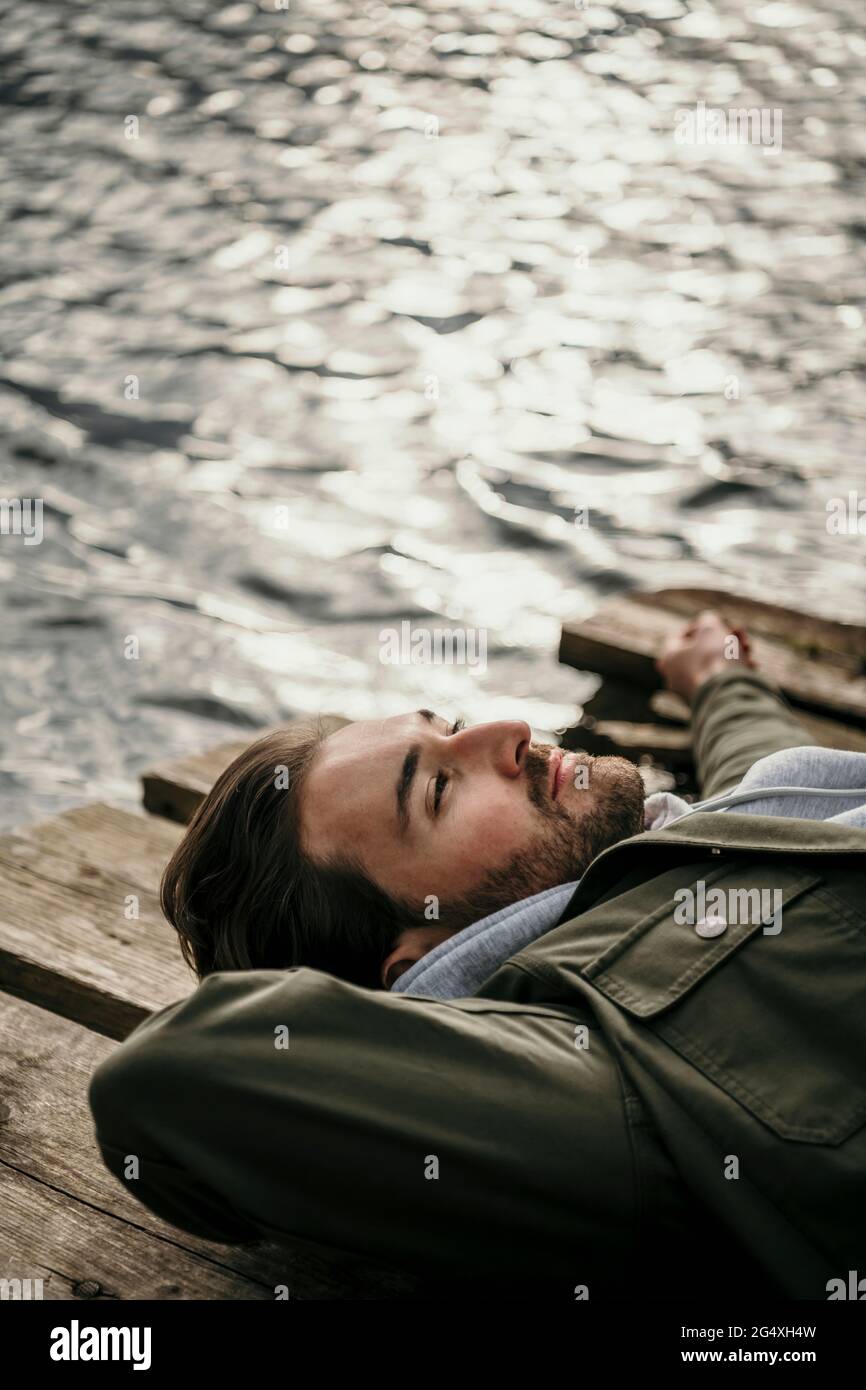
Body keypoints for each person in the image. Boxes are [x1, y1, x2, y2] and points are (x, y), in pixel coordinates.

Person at [88, 611, 866, 1299]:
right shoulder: (593, 1075)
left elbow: (764, 787)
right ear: (418, 957)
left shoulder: (681, 850)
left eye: (451, 727)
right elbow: (167, 1076)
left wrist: (718, 682)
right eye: (437, 790)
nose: (511, 732)